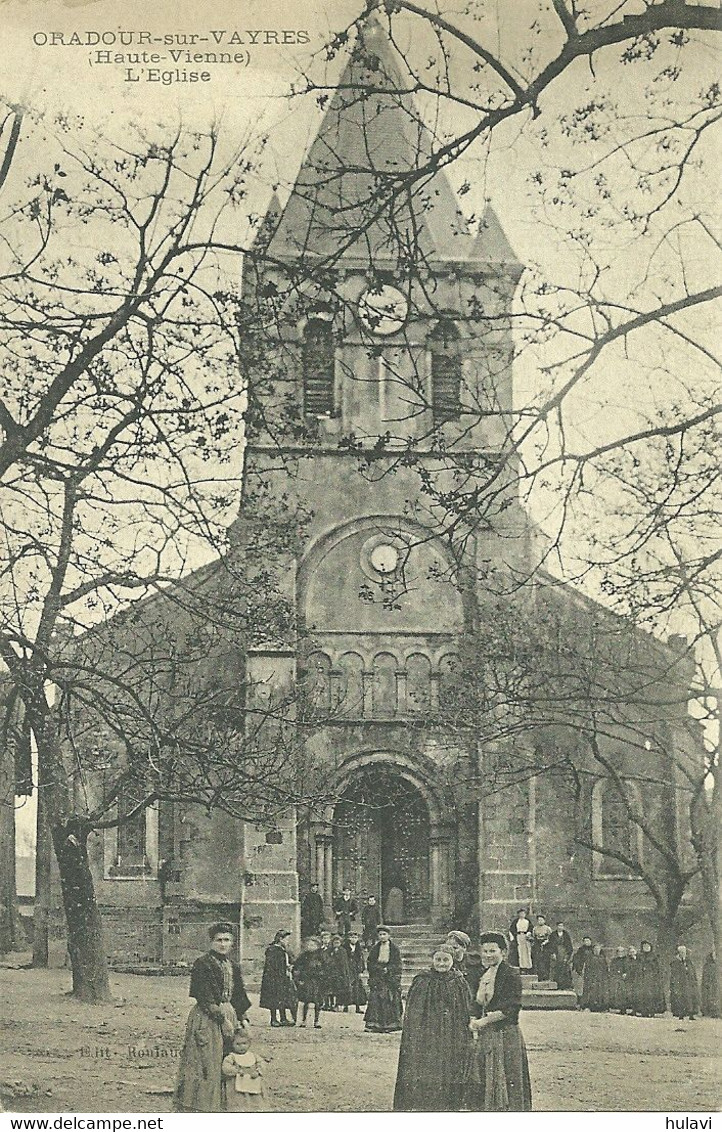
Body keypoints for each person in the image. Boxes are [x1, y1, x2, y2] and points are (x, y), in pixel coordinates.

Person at [174, 922, 251, 1113]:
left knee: (228, 1056)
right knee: (206, 1059)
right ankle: (202, 1103)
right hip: (207, 1016)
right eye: (219, 940)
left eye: (227, 940)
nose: (222, 944)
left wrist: (243, 1018)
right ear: (211, 942)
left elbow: (238, 994)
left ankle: (225, 1101)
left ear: (232, 943)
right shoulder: (203, 964)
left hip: (229, 1013)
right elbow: (203, 995)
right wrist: (221, 1019)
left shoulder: (233, 965)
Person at [393, 945, 472, 1111]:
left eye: (446, 960)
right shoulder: (423, 980)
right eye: (438, 959)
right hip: (428, 1034)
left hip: (451, 1034)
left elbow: (465, 1010)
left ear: (452, 961)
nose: (441, 964)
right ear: (432, 960)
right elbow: (413, 1012)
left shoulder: (458, 981)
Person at [464, 932, 532, 1111]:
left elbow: (512, 1008)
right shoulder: (484, 973)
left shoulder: (510, 974)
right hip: (487, 1033)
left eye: (492, 951)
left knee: (507, 1076)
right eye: (485, 951)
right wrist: (473, 1018)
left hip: (505, 1033)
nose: (488, 955)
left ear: (503, 951)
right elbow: (477, 1002)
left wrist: (483, 1021)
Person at [365, 925, 403, 1032]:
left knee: (389, 999)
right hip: (378, 976)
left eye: (384, 934)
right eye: (380, 935)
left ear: (389, 935)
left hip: (389, 977)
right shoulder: (375, 948)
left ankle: (390, 1025)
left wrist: (389, 970)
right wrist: (377, 969)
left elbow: (398, 964)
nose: (382, 937)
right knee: (376, 1000)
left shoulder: (394, 949)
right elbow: (370, 962)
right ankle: (374, 1024)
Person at [221, 1027, 268, 1112]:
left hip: (253, 1084)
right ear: (232, 1045)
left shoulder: (253, 1056)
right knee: (239, 1102)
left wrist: (258, 1072)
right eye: (238, 1044)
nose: (241, 1046)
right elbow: (226, 1068)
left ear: (249, 1043)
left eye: (244, 1043)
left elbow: (262, 1064)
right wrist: (236, 1071)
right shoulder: (231, 1057)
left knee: (256, 1101)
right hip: (238, 1086)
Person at [259, 929, 298, 1027]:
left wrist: (288, 967)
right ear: (280, 939)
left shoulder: (282, 950)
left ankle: (283, 1018)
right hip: (273, 978)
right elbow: (273, 966)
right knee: (274, 998)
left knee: (282, 997)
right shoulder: (273, 950)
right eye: (286, 939)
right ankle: (273, 1019)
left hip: (282, 977)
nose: (287, 941)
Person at [292, 937, 326, 1029]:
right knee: (304, 1001)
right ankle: (303, 1020)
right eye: (309, 944)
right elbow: (297, 967)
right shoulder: (303, 956)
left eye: (313, 945)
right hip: (306, 981)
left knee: (317, 1002)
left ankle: (316, 1021)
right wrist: (299, 979)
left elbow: (326, 968)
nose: (310, 946)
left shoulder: (321, 956)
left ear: (317, 946)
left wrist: (322, 976)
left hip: (317, 982)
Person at [634, 940, 665, 1017]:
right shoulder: (639, 956)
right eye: (644, 947)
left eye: (647, 946)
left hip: (651, 979)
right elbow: (636, 966)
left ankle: (652, 1011)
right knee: (642, 995)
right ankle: (643, 1011)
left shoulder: (654, 956)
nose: (646, 948)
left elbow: (657, 968)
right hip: (641, 978)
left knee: (651, 995)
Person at [669, 945, 700, 1020]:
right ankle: (681, 1014)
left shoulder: (688, 962)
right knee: (680, 998)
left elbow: (692, 972)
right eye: (681, 952)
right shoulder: (675, 962)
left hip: (689, 983)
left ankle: (691, 1014)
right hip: (680, 984)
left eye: (684, 952)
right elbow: (674, 975)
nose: (683, 954)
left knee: (691, 998)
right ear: (679, 953)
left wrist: (694, 981)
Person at [326, 933, 353, 1010]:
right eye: (335, 943)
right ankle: (331, 1004)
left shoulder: (343, 951)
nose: (336, 944)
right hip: (332, 972)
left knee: (341, 990)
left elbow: (344, 963)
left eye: (338, 943)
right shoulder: (330, 951)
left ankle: (342, 1005)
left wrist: (344, 974)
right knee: (332, 989)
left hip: (341, 972)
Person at [343, 930, 368, 1013]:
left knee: (357, 989)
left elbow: (361, 960)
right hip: (347, 969)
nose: (354, 939)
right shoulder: (345, 947)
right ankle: (345, 1006)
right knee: (347, 988)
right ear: (349, 938)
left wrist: (361, 970)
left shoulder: (358, 948)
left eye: (355, 937)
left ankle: (357, 1007)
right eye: (352, 937)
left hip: (355, 970)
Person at [580, 943, 609, 1012]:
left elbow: (605, 968)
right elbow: (587, 968)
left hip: (600, 978)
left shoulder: (602, 958)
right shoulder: (590, 958)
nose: (597, 950)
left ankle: (600, 1007)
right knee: (591, 991)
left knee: (600, 991)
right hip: (592, 978)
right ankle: (589, 1006)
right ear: (593, 950)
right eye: (595, 949)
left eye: (598, 949)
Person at [548, 922, 573, 990]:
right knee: (556, 968)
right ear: (556, 926)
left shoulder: (566, 934)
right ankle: (556, 984)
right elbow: (550, 945)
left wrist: (567, 956)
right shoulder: (553, 934)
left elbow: (569, 946)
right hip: (556, 953)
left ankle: (566, 985)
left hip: (564, 952)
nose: (560, 927)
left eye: (561, 926)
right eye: (559, 926)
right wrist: (552, 953)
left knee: (565, 968)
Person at [608, 946, 629, 1012]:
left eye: (622, 951)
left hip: (625, 978)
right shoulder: (614, 960)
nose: (620, 953)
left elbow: (628, 968)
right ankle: (617, 1006)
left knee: (624, 992)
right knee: (617, 992)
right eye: (619, 951)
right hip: (616, 977)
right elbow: (612, 969)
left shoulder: (626, 960)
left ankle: (624, 1008)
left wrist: (625, 973)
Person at [531, 915, 552, 980]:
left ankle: (546, 976)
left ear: (544, 921)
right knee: (538, 960)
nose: (540, 921)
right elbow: (533, 937)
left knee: (545, 960)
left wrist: (545, 942)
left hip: (546, 945)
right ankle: (539, 976)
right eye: (539, 920)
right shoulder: (535, 928)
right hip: (537, 944)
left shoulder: (547, 928)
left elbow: (550, 937)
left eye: (541, 920)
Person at [572, 935, 594, 999]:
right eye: (585, 941)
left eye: (588, 941)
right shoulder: (581, 950)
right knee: (582, 985)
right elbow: (577, 959)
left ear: (591, 941)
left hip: (592, 968)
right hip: (583, 968)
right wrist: (579, 969)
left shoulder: (593, 949)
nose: (587, 942)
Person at [701, 951, 720, 1018]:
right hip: (710, 985)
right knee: (710, 997)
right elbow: (706, 976)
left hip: (714, 984)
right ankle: (711, 1011)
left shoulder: (715, 965)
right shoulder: (708, 966)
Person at [625, 946, 639, 1015]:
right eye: (630, 952)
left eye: (633, 952)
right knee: (632, 994)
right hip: (630, 979)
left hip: (638, 979)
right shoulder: (628, 960)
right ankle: (633, 1010)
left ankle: (637, 1010)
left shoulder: (639, 959)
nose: (632, 953)